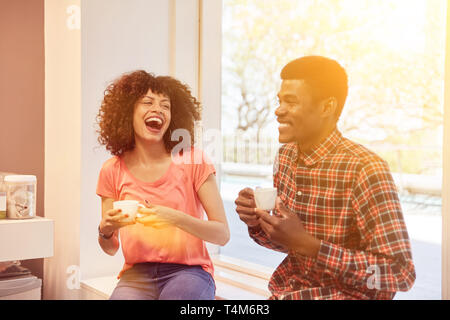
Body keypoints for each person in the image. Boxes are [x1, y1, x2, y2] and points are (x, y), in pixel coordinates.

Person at [235, 56, 416, 300]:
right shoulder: (286, 157)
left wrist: (312, 246)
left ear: (326, 107)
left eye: (291, 101)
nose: (278, 111)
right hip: (289, 293)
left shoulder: (366, 169)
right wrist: (258, 222)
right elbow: (292, 245)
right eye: (279, 101)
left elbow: (400, 273)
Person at [96, 70, 229, 300]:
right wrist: (105, 230)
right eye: (147, 102)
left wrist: (175, 218)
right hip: (136, 275)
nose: (158, 109)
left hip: (189, 272)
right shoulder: (112, 170)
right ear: (128, 112)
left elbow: (222, 234)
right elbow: (111, 248)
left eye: (165, 106)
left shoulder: (193, 160)